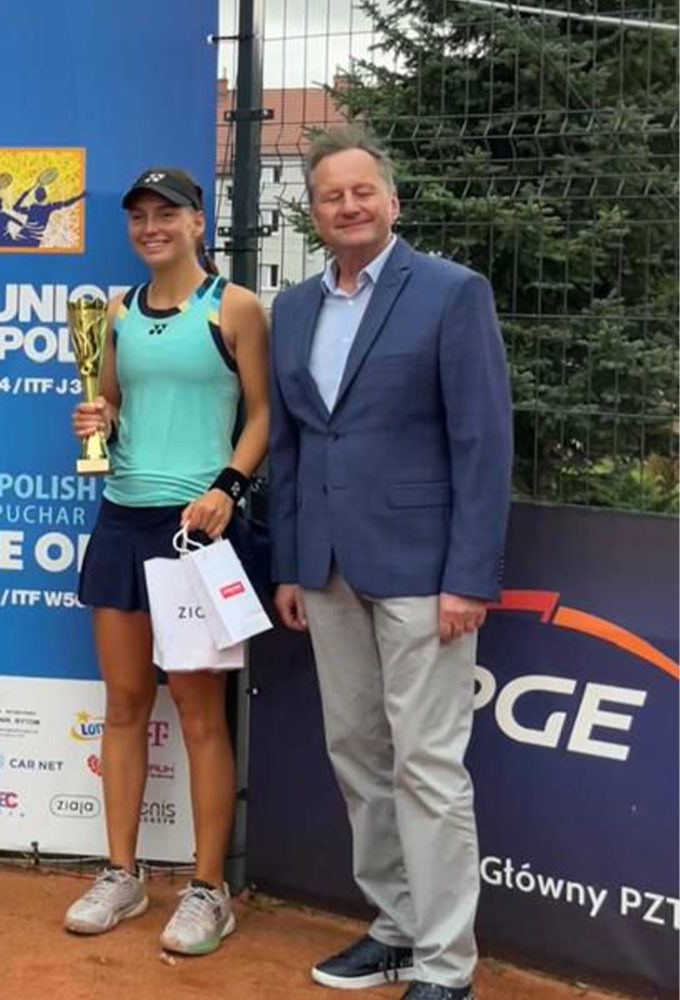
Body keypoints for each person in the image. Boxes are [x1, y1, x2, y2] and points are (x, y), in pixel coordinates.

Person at [267, 126, 511, 1000]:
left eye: (362, 191)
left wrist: (470, 576)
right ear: (315, 211)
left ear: (392, 200)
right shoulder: (292, 309)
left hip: (423, 574)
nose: (349, 206)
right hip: (326, 571)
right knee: (359, 758)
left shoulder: (451, 293)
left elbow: (482, 443)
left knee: (428, 769)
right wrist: (292, 566)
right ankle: (397, 927)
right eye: (332, 196)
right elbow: (292, 447)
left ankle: (448, 966)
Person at [64, 167, 271, 956]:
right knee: (123, 704)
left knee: (197, 714)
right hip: (121, 517)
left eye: (167, 214)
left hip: (197, 531)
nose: (152, 227)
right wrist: (97, 416)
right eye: (139, 217)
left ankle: (209, 888)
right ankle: (122, 874)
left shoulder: (235, 307)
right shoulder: (115, 311)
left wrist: (227, 486)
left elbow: (263, 417)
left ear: (196, 223)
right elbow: (110, 401)